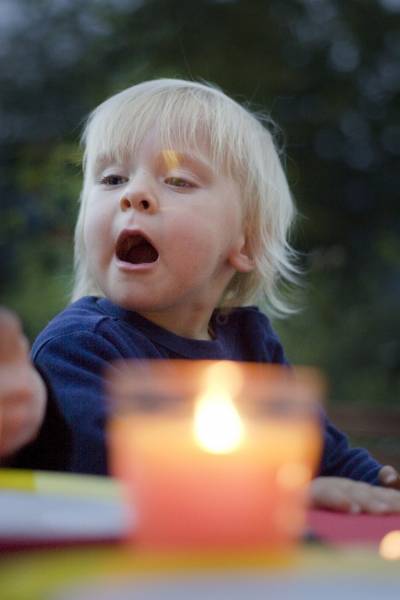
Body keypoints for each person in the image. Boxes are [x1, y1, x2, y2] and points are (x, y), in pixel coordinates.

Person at [1, 79, 399, 514]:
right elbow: (125, 484)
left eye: (178, 181)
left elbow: (322, 454)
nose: (134, 194)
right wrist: (278, 496)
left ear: (245, 243)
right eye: (112, 178)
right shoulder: (80, 348)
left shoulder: (251, 342)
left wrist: (380, 482)